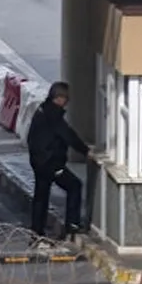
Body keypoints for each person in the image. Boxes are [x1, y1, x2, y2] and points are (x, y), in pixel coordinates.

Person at [26, 82, 89, 240]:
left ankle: (36, 232)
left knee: (41, 196)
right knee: (74, 186)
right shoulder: (54, 115)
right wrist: (86, 151)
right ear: (60, 98)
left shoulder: (42, 110)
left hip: (38, 161)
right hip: (51, 163)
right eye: (66, 99)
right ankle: (72, 225)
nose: (67, 102)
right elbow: (68, 136)